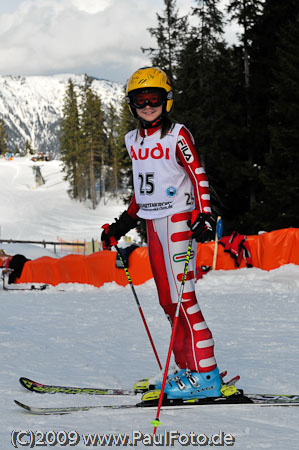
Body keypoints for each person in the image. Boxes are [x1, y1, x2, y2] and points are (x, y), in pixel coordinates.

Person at [101, 67, 222, 400]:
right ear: (132, 104)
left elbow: (198, 175)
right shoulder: (132, 140)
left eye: (154, 98)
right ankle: (186, 370)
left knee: (184, 299)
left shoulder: (177, 135)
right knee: (168, 302)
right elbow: (142, 191)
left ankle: (206, 373)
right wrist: (122, 224)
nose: (147, 105)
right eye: (140, 100)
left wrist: (205, 216)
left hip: (180, 221)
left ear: (166, 100)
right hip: (153, 223)